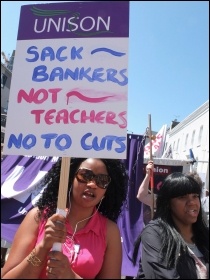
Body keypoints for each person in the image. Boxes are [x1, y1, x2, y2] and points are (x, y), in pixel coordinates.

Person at [1, 157, 128, 279]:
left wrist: (70, 276)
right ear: (70, 178)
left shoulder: (110, 231)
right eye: (85, 175)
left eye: (102, 180)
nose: (92, 184)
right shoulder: (38, 217)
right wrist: (42, 248)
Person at [133, 172, 209, 279]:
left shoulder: (205, 236)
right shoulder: (155, 233)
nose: (192, 202)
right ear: (168, 203)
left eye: (195, 196)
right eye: (183, 197)